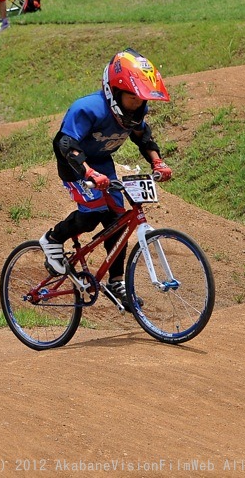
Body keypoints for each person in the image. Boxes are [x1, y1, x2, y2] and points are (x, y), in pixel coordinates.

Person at [38, 48, 172, 309]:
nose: (138, 104)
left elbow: (143, 137)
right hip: (76, 165)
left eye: (142, 99)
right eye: (133, 97)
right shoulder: (88, 109)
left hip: (102, 165)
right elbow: (64, 143)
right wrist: (87, 172)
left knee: (118, 221)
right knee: (92, 213)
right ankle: (53, 239)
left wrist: (157, 161)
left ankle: (116, 281)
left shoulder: (136, 112)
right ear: (114, 91)